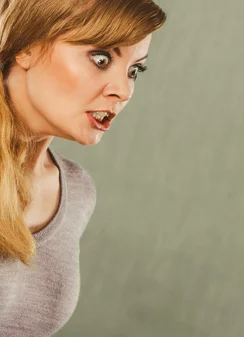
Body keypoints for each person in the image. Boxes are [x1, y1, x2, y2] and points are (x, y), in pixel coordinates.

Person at [0, 0, 166, 335]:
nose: (122, 90)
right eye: (101, 58)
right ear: (27, 47)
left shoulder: (75, 193)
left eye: (134, 71)